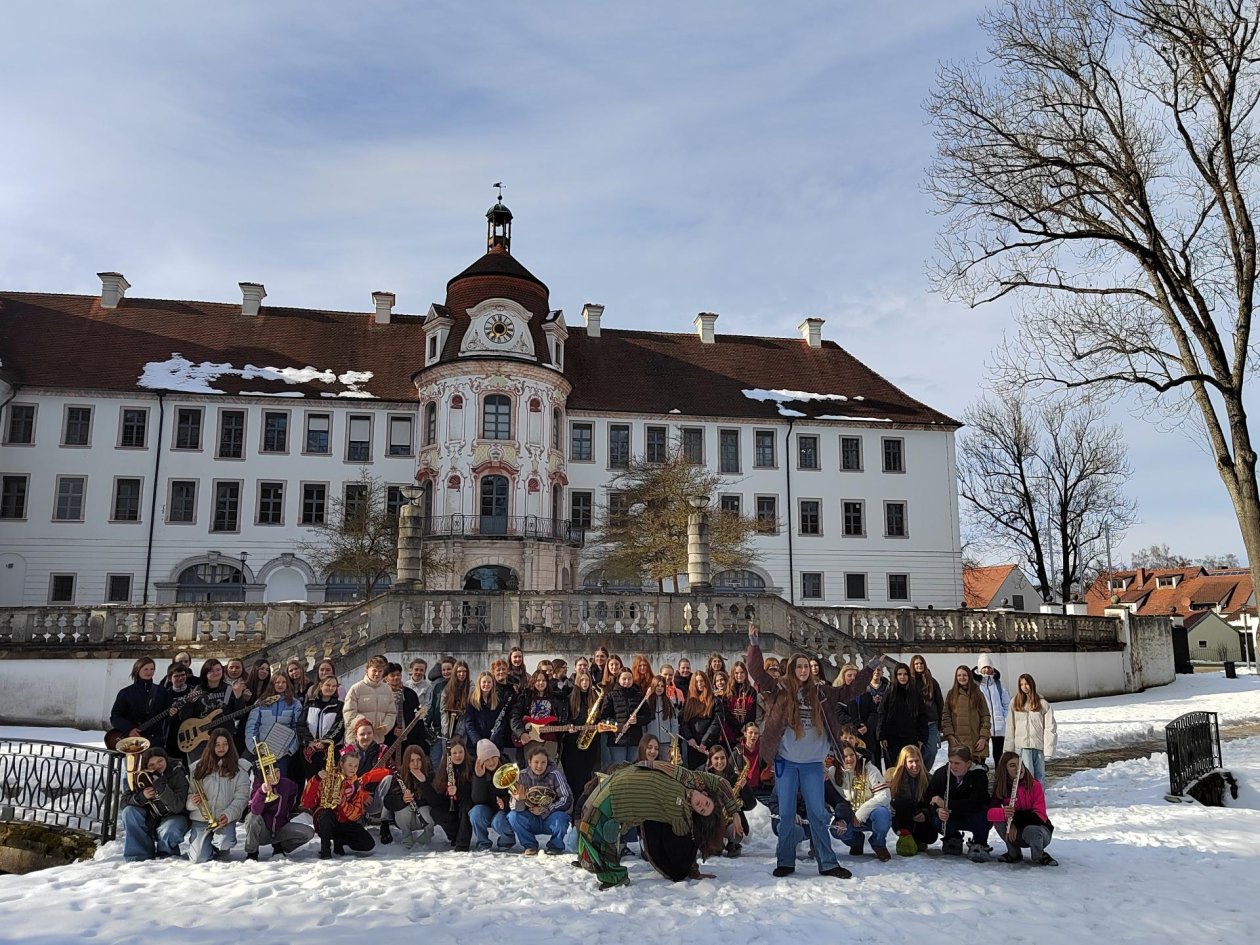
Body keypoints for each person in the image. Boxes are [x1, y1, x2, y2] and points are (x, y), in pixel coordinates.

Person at [746, 622, 857, 880]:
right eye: (799, 666)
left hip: (812, 764)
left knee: (818, 813)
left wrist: (870, 670)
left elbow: (849, 690)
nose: (803, 670)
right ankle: (785, 861)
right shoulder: (780, 689)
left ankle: (828, 862)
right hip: (787, 763)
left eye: (807, 666)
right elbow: (758, 675)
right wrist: (753, 645)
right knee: (786, 813)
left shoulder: (821, 692)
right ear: (792, 668)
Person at [576, 759, 741, 890]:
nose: (702, 806)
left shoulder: (683, 816)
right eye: (706, 803)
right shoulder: (692, 778)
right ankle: (591, 863)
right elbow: (721, 783)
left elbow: (686, 840)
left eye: (703, 811)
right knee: (588, 825)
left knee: (592, 828)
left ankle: (614, 877)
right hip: (619, 780)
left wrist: (693, 869)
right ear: (705, 794)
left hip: (618, 802)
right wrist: (734, 812)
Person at [185, 727, 250, 863]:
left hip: (223, 819)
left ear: (230, 745)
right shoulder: (197, 768)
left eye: (225, 744)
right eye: (217, 744)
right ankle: (204, 845)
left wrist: (228, 814)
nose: (221, 748)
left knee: (224, 843)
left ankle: (220, 846)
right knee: (198, 859)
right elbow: (188, 795)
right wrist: (192, 802)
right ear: (211, 746)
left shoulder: (240, 768)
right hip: (201, 819)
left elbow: (242, 798)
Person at [301, 745, 375, 859]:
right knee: (326, 814)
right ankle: (325, 850)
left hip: (345, 822)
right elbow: (307, 803)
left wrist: (343, 803)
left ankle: (339, 841)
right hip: (327, 821)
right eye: (349, 765)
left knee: (368, 844)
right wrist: (316, 780)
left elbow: (356, 814)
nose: (353, 769)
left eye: (356, 766)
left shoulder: (356, 784)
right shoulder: (327, 777)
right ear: (341, 764)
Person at [121, 746, 189, 862]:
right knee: (129, 812)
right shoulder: (139, 776)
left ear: (166, 759)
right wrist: (142, 796)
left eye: (160, 761)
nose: (157, 766)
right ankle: (138, 856)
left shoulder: (178, 772)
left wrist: (162, 788)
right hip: (151, 816)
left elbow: (178, 807)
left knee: (170, 828)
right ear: (146, 767)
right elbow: (123, 802)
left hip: (174, 816)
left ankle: (167, 855)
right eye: (151, 765)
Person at [988, 751, 1057, 866]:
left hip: (1039, 831)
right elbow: (990, 814)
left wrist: (1015, 821)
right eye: (1012, 765)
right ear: (1005, 770)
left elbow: (1039, 815)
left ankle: (1039, 855)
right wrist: (1004, 813)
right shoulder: (1001, 788)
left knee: (1031, 830)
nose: (1018, 768)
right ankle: (1014, 853)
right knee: (1000, 821)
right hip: (1015, 833)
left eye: (1020, 764)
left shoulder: (1034, 785)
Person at [828, 743, 892, 861]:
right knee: (836, 830)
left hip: (871, 813)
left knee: (883, 814)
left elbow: (884, 796)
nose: (849, 759)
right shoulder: (832, 772)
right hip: (849, 814)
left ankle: (878, 844)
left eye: (852, 755)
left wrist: (861, 813)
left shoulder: (869, 768)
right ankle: (856, 842)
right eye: (844, 756)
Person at [927, 745, 992, 860]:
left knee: (983, 816)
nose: (953, 766)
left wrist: (946, 804)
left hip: (973, 815)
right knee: (937, 819)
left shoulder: (979, 775)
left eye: (957, 763)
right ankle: (952, 837)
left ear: (968, 763)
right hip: (951, 816)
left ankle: (980, 843)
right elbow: (929, 798)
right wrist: (938, 809)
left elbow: (976, 803)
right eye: (950, 762)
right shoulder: (941, 774)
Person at [507, 744, 572, 855]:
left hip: (550, 817)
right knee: (513, 816)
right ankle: (530, 846)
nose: (539, 766)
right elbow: (513, 807)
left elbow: (566, 798)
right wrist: (519, 800)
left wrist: (545, 809)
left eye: (543, 762)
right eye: (536, 762)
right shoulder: (521, 776)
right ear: (529, 762)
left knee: (562, 818)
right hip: (530, 818)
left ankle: (555, 846)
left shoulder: (555, 774)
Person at [243, 761, 313, 860]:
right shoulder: (257, 786)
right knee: (251, 818)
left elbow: (294, 793)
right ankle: (252, 852)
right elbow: (254, 810)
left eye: (277, 771)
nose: (275, 775)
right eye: (270, 773)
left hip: (280, 828)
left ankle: (280, 846)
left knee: (308, 832)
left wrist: (287, 812)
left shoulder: (287, 784)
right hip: (263, 831)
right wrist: (261, 792)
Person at [108, 656, 175, 750]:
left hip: (155, 741)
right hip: (132, 742)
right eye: (145, 669)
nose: (149, 672)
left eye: (152, 669)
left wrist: (173, 713)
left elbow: (168, 714)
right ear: (137, 670)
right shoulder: (126, 693)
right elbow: (115, 716)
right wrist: (129, 729)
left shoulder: (162, 691)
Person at [244, 674, 303, 779]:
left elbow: (298, 728)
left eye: (284, 682)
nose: (281, 685)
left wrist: (290, 750)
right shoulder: (261, 702)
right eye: (277, 682)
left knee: (281, 782)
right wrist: (254, 748)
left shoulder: (295, 703)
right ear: (272, 684)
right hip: (263, 751)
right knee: (262, 783)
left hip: (283, 753)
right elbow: (252, 726)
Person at [886, 745, 939, 855]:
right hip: (902, 817)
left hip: (920, 817)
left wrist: (926, 814)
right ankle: (905, 835)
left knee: (931, 837)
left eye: (917, 761)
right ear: (904, 762)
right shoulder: (894, 778)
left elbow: (933, 803)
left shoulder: (929, 779)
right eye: (910, 761)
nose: (915, 765)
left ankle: (918, 838)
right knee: (902, 802)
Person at [1004, 673, 1057, 784]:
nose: (1024, 687)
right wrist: (1009, 749)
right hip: (1023, 747)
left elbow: (1050, 727)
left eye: (1027, 684)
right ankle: (1028, 799)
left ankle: (1039, 798)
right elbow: (1010, 726)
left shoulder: (1042, 704)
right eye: (1022, 684)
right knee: (1027, 775)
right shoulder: (1015, 703)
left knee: (1040, 775)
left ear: (1032, 684)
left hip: (1038, 746)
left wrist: (1049, 748)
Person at [381, 745, 437, 849]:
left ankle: (427, 835)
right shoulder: (399, 776)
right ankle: (407, 836)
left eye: (419, 760)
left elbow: (436, 802)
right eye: (412, 761)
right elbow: (387, 802)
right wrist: (402, 800)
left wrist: (424, 783)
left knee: (427, 811)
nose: (416, 764)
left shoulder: (431, 775)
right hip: (406, 819)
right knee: (403, 811)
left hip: (422, 816)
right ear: (407, 762)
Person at [562, 670, 605, 802]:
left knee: (589, 775)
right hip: (574, 743)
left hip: (591, 742)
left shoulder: (596, 697)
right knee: (575, 777)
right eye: (582, 680)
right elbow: (566, 718)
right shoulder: (571, 698)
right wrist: (569, 725)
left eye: (587, 680)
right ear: (577, 682)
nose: (585, 683)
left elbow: (600, 717)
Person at [878, 662, 928, 771]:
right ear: (896, 676)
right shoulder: (890, 692)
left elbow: (922, 716)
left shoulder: (915, 692)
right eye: (899, 674)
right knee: (894, 768)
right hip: (892, 738)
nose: (902, 677)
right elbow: (882, 713)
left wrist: (922, 737)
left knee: (910, 766)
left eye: (905, 674)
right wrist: (882, 736)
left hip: (910, 736)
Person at [298, 674, 345, 790]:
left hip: (329, 750)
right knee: (312, 781)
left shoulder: (339, 706)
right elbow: (301, 724)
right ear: (321, 685)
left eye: (334, 686)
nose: (331, 688)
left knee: (328, 781)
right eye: (328, 685)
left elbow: (339, 726)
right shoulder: (310, 704)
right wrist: (309, 741)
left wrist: (325, 741)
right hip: (309, 751)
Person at [512, 667, 569, 763]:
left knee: (549, 767)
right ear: (533, 682)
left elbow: (560, 718)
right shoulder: (526, 697)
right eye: (538, 680)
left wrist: (567, 727)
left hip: (550, 740)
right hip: (531, 739)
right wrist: (521, 733)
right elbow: (514, 716)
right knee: (533, 768)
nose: (541, 683)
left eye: (543, 680)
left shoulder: (555, 698)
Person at [941, 665, 993, 766]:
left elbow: (985, 716)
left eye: (964, 675)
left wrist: (983, 737)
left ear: (969, 676)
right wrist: (950, 736)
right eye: (959, 675)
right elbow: (946, 717)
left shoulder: (977, 694)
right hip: (958, 742)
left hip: (976, 742)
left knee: (978, 774)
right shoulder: (951, 694)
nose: (962, 677)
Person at [469, 739, 515, 851]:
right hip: (487, 807)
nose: (491, 762)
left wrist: (504, 802)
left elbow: (514, 794)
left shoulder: (508, 768)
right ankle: (483, 843)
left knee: (498, 821)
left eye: (493, 757)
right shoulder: (476, 771)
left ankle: (506, 841)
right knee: (475, 813)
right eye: (487, 759)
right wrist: (479, 778)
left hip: (505, 809)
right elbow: (477, 799)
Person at [430, 737, 474, 850]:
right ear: (449, 755)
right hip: (451, 805)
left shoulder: (471, 765)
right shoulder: (444, 768)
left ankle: (463, 843)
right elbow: (437, 790)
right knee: (436, 812)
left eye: (460, 752)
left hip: (466, 802)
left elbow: (474, 791)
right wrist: (446, 788)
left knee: (466, 806)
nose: (458, 756)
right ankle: (454, 836)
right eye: (454, 753)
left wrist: (458, 791)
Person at [343, 655, 397, 745]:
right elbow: (349, 712)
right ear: (367, 670)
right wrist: (364, 723)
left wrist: (386, 726)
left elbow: (391, 712)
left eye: (380, 671)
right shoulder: (356, 688)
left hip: (377, 740)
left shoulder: (387, 689)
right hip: (356, 740)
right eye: (374, 671)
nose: (377, 674)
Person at [680, 672, 721, 770]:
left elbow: (716, 723)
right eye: (696, 681)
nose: (699, 683)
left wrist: (704, 742)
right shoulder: (689, 701)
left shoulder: (715, 701)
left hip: (708, 745)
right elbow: (684, 721)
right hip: (693, 745)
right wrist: (689, 738)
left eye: (701, 681)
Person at [464, 671, 513, 754]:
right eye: (484, 682)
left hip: (494, 744)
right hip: (475, 746)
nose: (486, 684)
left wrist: (492, 740)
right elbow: (469, 724)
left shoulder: (498, 701)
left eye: (489, 682)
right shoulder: (472, 701)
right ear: (479, 683)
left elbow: (501, 723)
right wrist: (479, 742)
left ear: (493, 684)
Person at [605, 668, 646, 764]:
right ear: (618, 679)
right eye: (624, 679)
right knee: (619, 769)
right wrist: (618, 726)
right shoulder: (611, 696)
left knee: (633, 770)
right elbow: (604, 717)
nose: (627, 681)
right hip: (617, 740)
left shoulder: (638, 695)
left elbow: (648, 715)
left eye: (629, 679)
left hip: (635, 740)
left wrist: (638, 720)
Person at [973, 654, 1010, 761]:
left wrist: (1005, 718)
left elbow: (1006, 704)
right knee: (982, 754)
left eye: (989, 667)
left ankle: (999, 776)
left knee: (999, 755)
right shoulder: (976, 686)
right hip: (983, 726)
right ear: (980, 668)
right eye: (984, 667)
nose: (987, 670)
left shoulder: (998, 685)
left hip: (999, 726)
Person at [910, 654, 944, 767]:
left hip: (931, 722)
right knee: (915, 752)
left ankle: (924, 771)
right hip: (915, 723)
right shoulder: (909, 682)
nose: (919, 665)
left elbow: (939, 703)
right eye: (916, 664)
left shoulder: (932, 681)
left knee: (931, 751)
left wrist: (940, 723)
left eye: (921, 663)